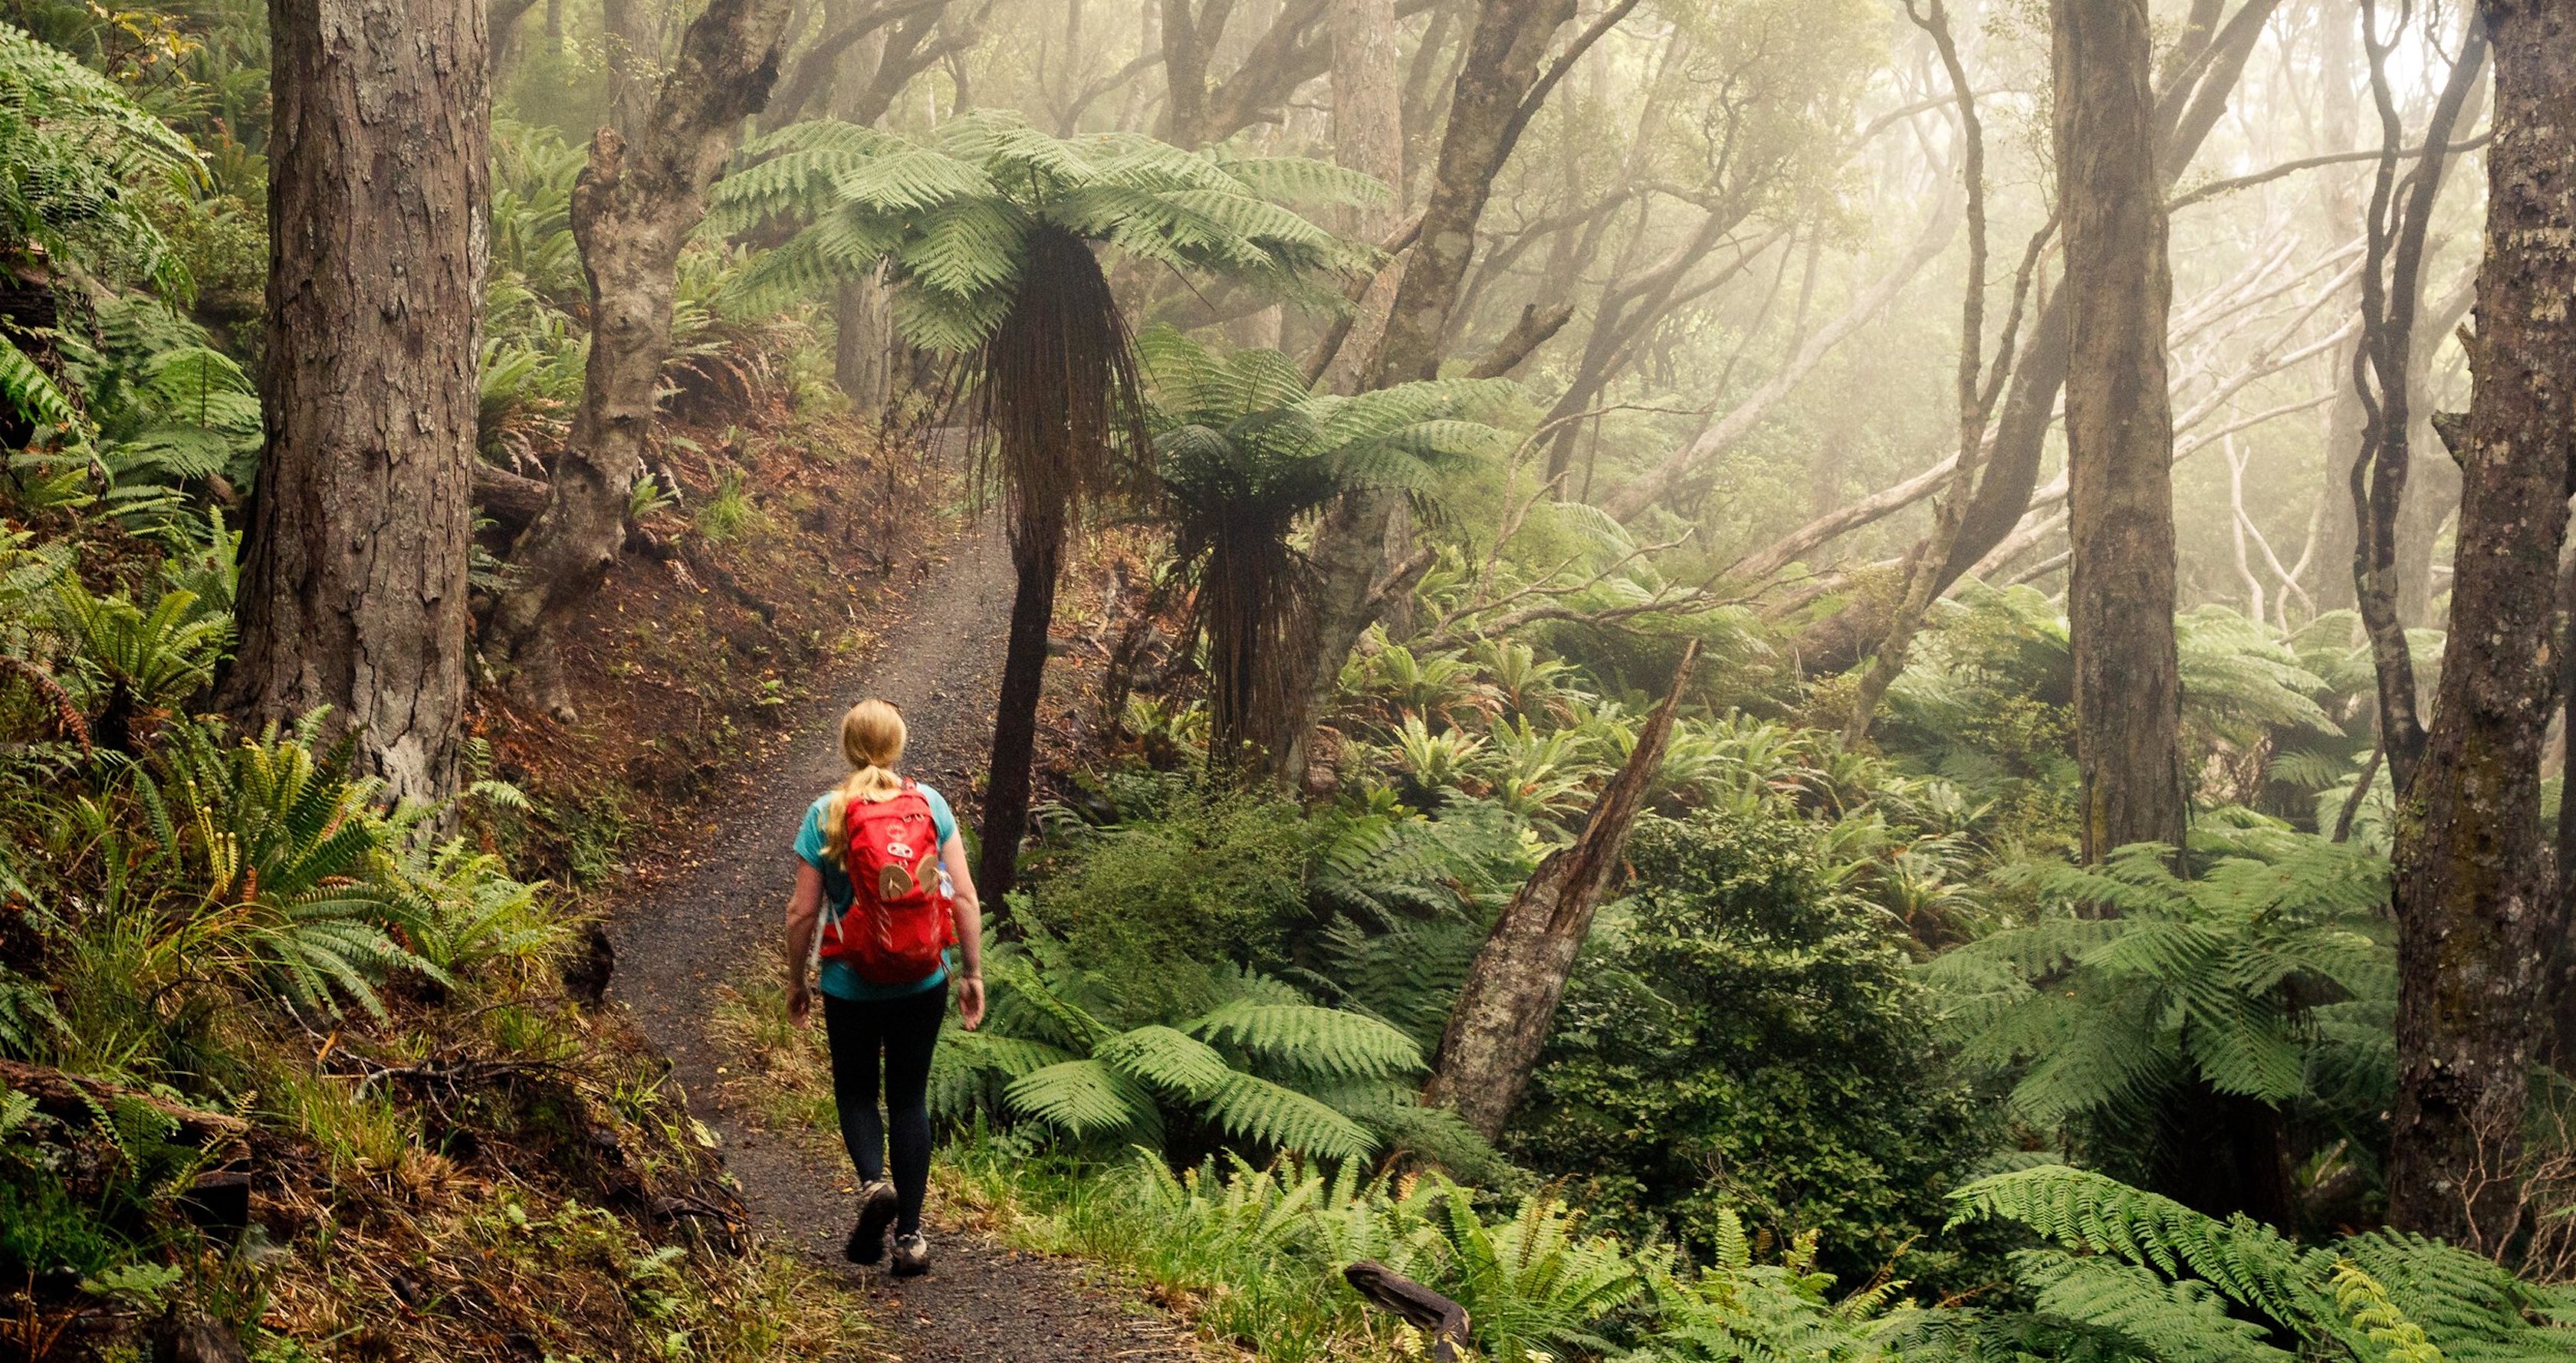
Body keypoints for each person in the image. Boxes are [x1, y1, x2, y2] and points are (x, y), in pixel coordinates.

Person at [784, 699, 985, 1276]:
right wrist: (971, 972)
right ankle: (911, 1239)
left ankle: (875, 1186)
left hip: (850, 980)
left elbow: (802, 913)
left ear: (847, 747)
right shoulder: (931, 805)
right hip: (923, 978)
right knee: (909, 1098)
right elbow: (964, 896)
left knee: (855, 1092)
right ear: (897, 745)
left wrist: (797, 980)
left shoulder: (826, 812)